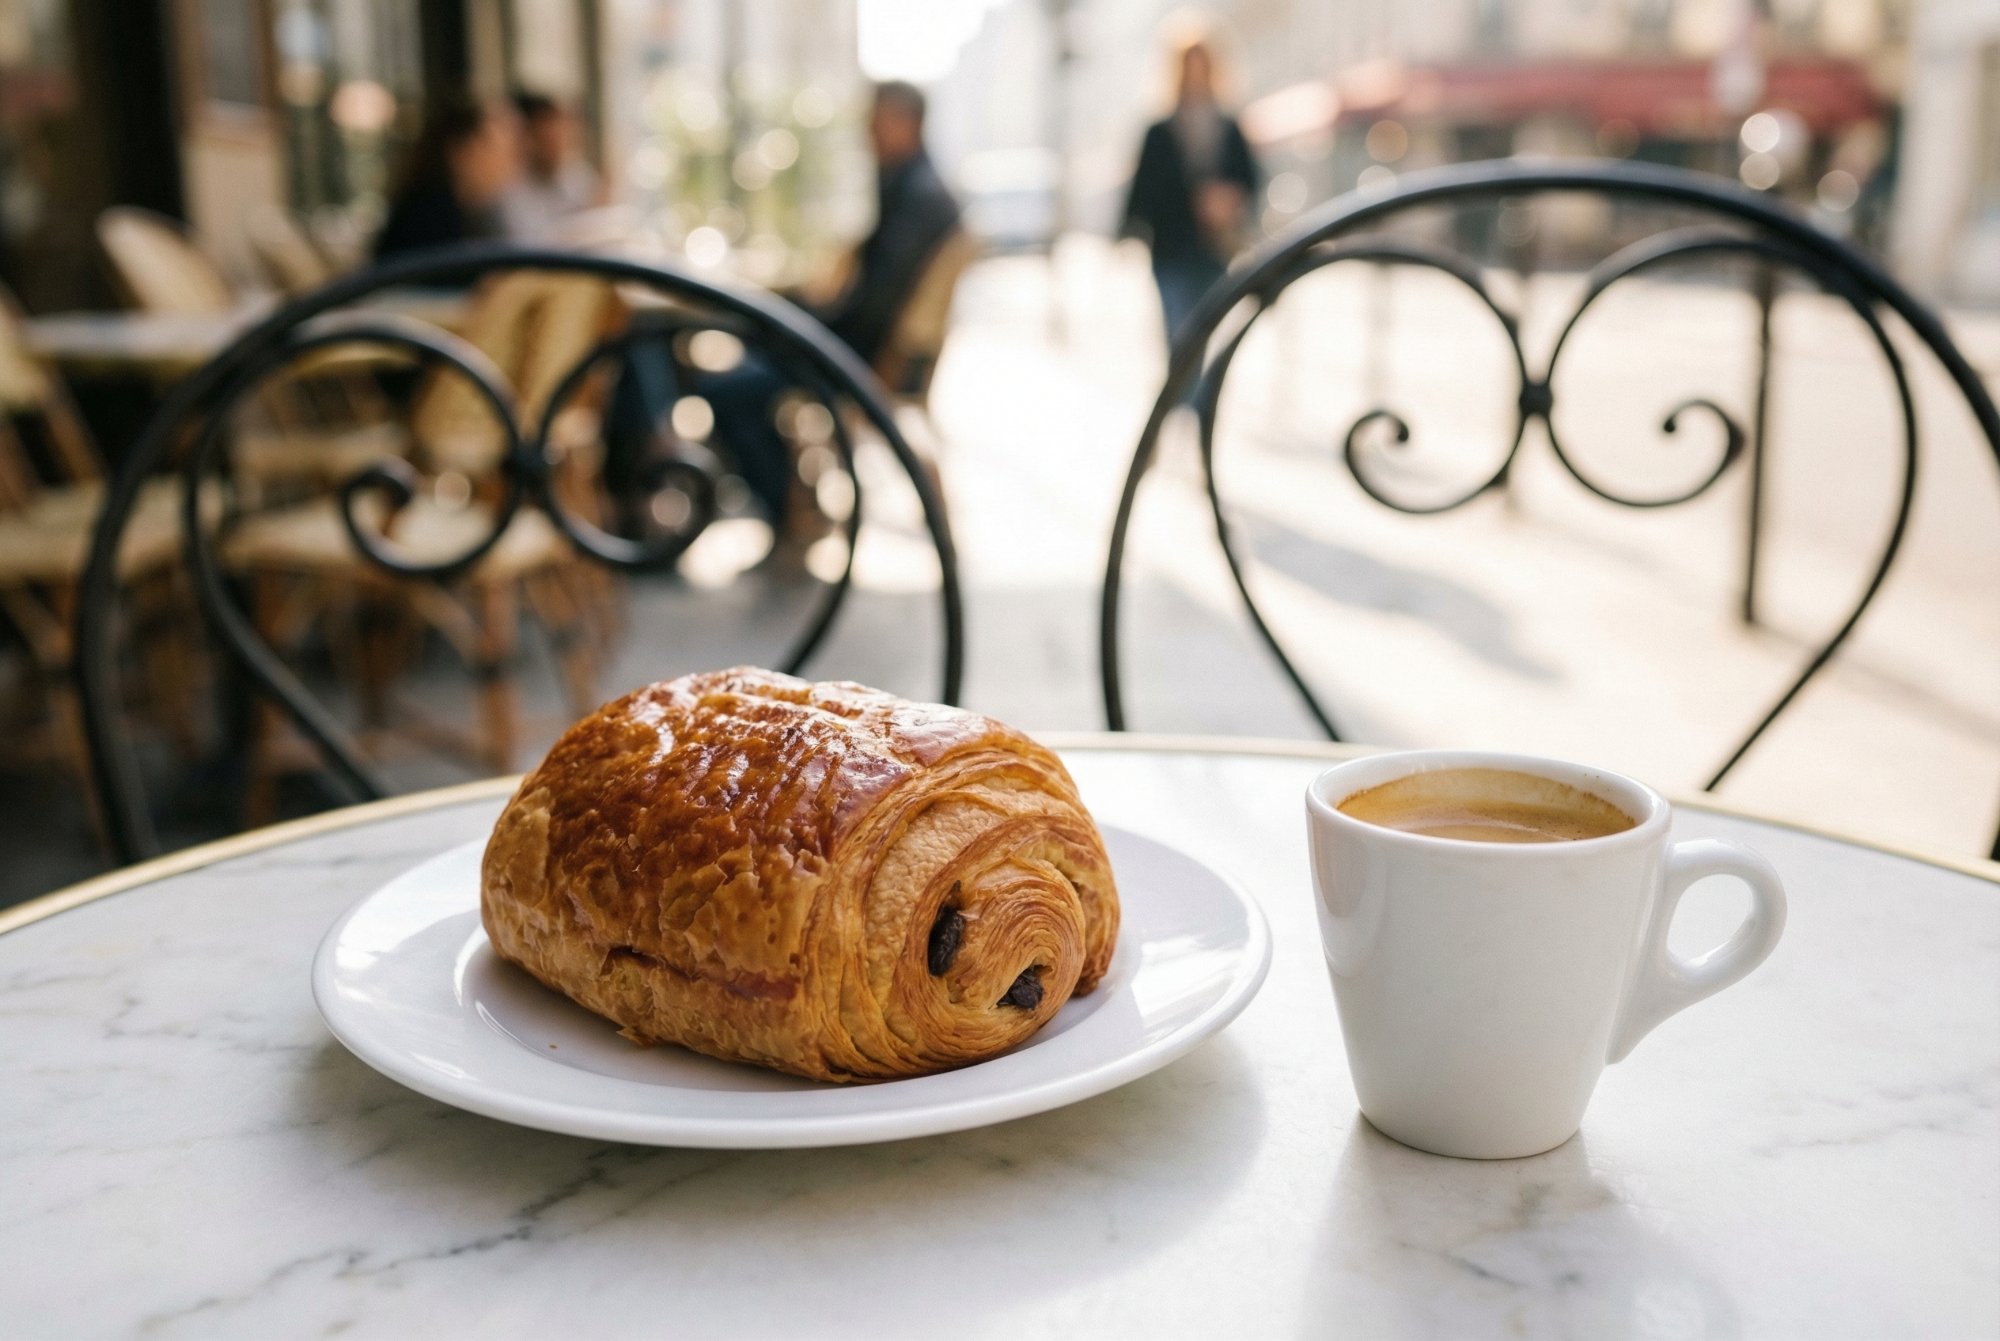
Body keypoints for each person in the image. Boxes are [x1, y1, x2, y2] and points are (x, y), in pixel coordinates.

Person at [696, 80, 961, 540]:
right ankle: (793, 509)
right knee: (745, 365)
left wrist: (803, 322)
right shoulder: (914, 188)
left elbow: (873, 307)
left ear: (905, 124)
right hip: (865, 351)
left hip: (866, 362)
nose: (867, 134)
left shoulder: (918, 198)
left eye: (875, 122)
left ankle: (788, 515)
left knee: (727, 389)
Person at [1120, 31, 1260, 351]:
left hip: (1213, 247)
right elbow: (1144, 189)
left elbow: (1249, 179)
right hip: (1171, 246)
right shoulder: (1160, 130)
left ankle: (1196, 400)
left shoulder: (1228, 126)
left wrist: (1228, 200)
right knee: (1179, 332)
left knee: (1207, 330)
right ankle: (1186, 398)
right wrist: (1130, 231)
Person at [373, 99, 520, 263]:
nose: (512, 164)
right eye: (502, 150)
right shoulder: (430, 216)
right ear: (463, 152)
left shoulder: (469, 212)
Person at [499, 91, 601, 243]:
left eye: (564, 131)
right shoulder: (507, 189)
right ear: (528, 137)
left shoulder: (580, 176)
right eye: (548, 136)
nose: (560, 141)